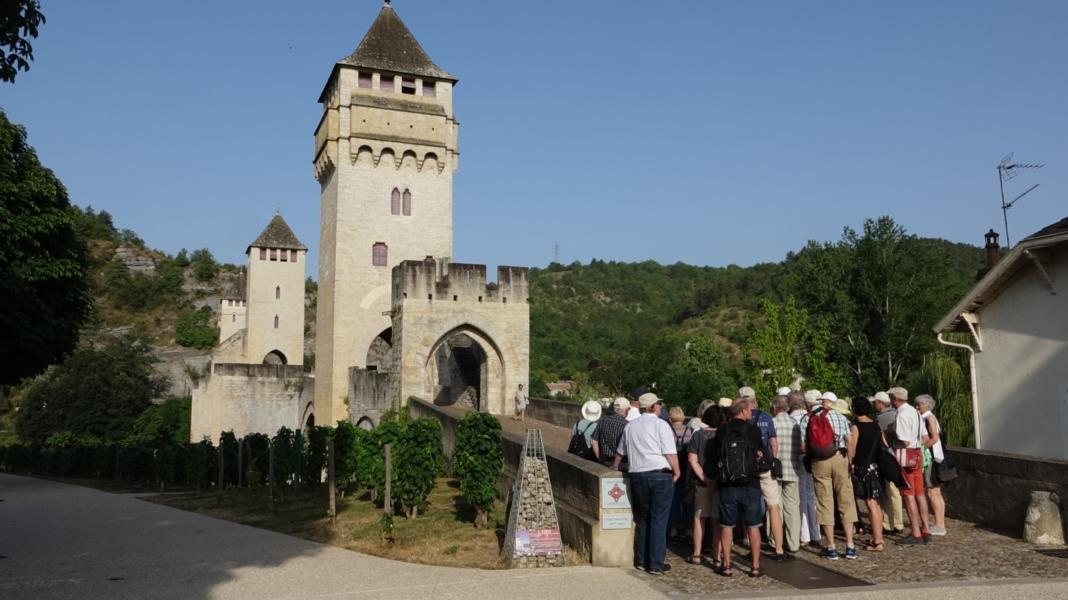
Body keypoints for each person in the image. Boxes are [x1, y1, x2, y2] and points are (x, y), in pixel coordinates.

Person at [612, 393, 681, 576]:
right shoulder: (661, 425)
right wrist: (677, 471)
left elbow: (620, 451)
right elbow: (669, 453)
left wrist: (615, 467)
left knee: (642, 519)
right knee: (659, 520)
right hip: (659, 474)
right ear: (654, 407)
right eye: (659, 404)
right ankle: (656, 563)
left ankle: (642, 560)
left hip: (638, 475)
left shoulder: (631, 426)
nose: (660, 407)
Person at [710, 399, 766, 577]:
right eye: (750, 410)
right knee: (753, 526)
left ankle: (726, 565)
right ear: (742, 412)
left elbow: (716, 455)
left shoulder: (722, 430)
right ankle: (755, 566)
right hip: (750, 483)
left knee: (727, 525)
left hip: (727, 484)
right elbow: (761, 453)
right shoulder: (753, 430)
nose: (751, 413)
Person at [801, 391, 859, 560]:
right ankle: (850, 546)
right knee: (845, 499)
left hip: (820, 461)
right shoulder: (840, 417)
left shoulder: (808, 418)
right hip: (840, 458)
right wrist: (850, 461)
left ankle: (831, 547)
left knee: (824, 501)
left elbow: (804, 446)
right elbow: (850, 441)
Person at [738, 386, 781, 561]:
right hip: (765, 468)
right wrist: (771, 460)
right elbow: (774, 443)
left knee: (749, 507)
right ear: (755, 399)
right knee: (773, 507)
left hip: (748, 469)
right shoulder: (765, 417)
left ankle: (749, 542)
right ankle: (779, 549)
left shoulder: (740, 419)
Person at [889, 387, 931, 545]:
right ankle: (926, 529)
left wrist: (891, 433)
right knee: (920, 493)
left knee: (908, 495)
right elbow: (925, 437)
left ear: (895, 398)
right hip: (918, 454)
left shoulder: (902, 414)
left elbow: (904, 440)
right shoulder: (915, 412)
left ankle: (915, 532)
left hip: (906, 455)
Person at [686, 404, 724, 568]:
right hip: (720, 483)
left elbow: (692, 460)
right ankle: (717, 557)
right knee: (717, 521)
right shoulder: (724, 435)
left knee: (699, 519)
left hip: (702, 484)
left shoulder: (698, 435)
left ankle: (696, 554)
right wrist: (714, 480)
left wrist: (704, 478)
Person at [849, 396, 886, 552]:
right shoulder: (876, 425)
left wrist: (851, 464)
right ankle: (877, 537)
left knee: (871, 505)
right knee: (875, 504)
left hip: (863, 468)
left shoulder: (856, 426)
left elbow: (852, 448)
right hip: (875, 467)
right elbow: (884, 444)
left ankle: (878, 541)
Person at [772, 394, 801, 559]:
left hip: (776, 470)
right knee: (792, 508)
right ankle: (793, 542)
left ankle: (774, 540)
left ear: (775, 408)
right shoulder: (794, 423)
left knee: (775, 507)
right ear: (788, 408)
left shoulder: (773, 423)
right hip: (792, 469)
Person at [872, 391, 903, 535]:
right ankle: (898, 521)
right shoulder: (897, 413)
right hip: (901, 453)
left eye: (875, 402)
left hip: (888, 455)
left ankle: (891, 523)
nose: (874, 405)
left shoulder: (881, 418)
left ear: (880, 403)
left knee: (890, 490)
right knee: (896, 491)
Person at [917, 394, 947, 536]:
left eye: (919, 404)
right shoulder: (929, 417)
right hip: (937, 457)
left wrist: (923, 448)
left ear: (927, 405)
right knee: (936, 492)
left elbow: (934, 438)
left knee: (932, 491)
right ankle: (940, 523)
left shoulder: (928, 418)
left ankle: (939, 525)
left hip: (932, 458)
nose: (917, 407)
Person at [796, 390, 821, 547]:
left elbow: (802, 446)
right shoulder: (826, 415)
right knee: (813, 497)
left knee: (802, 497)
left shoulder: (805, 418)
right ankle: (816, 533)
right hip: (820, 458)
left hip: (804, 459)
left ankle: (804, 534)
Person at [668, 406, 694, 543]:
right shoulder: (689, 431)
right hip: (687, 469)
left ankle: (673, 529)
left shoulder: (668, 431)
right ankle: (689, 529)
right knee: (688, 500)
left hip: (672, 468)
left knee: (674, 499)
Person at [593, 397, 629, 469]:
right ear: (625, 410)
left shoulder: (602, 421)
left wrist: (599, 457)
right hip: (623, 463)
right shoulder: (627, 425)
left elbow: (594, 440)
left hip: (605, 461)